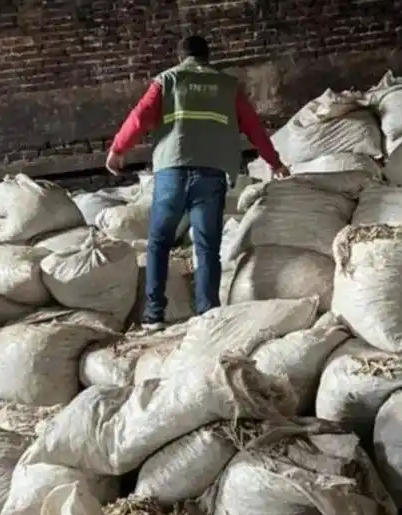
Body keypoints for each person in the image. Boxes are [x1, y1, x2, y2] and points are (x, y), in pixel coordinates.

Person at [107, 35, 290, 331]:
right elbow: (254, 128)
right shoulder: (227, 86)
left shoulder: (167, 81)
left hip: (172, 171)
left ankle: (154, 315)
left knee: (159, 243)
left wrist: (118, 150)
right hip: (211, 173)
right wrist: (275, 162)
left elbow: (140, 117)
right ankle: (208, 314)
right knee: (206, 247)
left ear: (182, 57)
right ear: (207, 57)